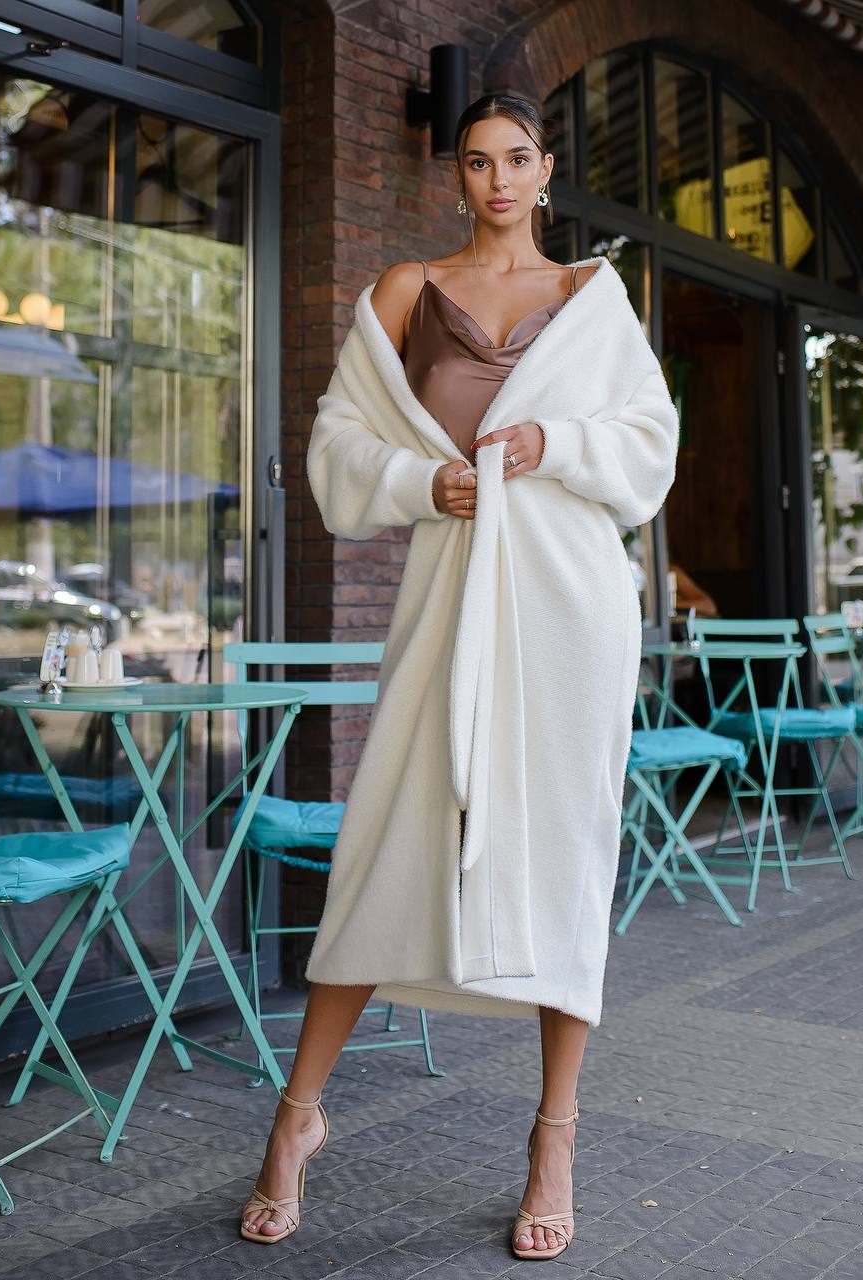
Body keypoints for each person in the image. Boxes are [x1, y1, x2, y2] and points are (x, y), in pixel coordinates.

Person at [239, 92, 680, 1261]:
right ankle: (296, 1117)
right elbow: (336, 448)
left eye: (516, 159)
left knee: (564, 857)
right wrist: (420, 485)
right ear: (456, 178)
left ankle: (554, 1136)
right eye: (476, 161)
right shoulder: (400, 292)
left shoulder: (593, 300)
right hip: (445, 609)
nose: (496, 179)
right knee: (388, 843)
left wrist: (556, 445)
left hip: (571, 610)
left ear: (547, 172)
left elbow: (649, 444)